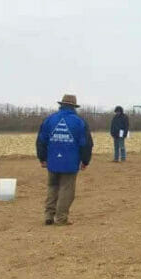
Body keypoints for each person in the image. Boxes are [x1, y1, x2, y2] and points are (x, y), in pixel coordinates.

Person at [36, 94, 94, 226]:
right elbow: (86, 144)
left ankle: (49, 215)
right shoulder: (80, 122)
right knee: (66, 189)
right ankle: (61, 218)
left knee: (52, 187)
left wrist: (42, 158)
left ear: (61, 105)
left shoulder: (49, 120)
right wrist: (85, 161)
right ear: (74, 107)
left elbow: (41, 140)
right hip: (70, 162)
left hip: (52, 161)